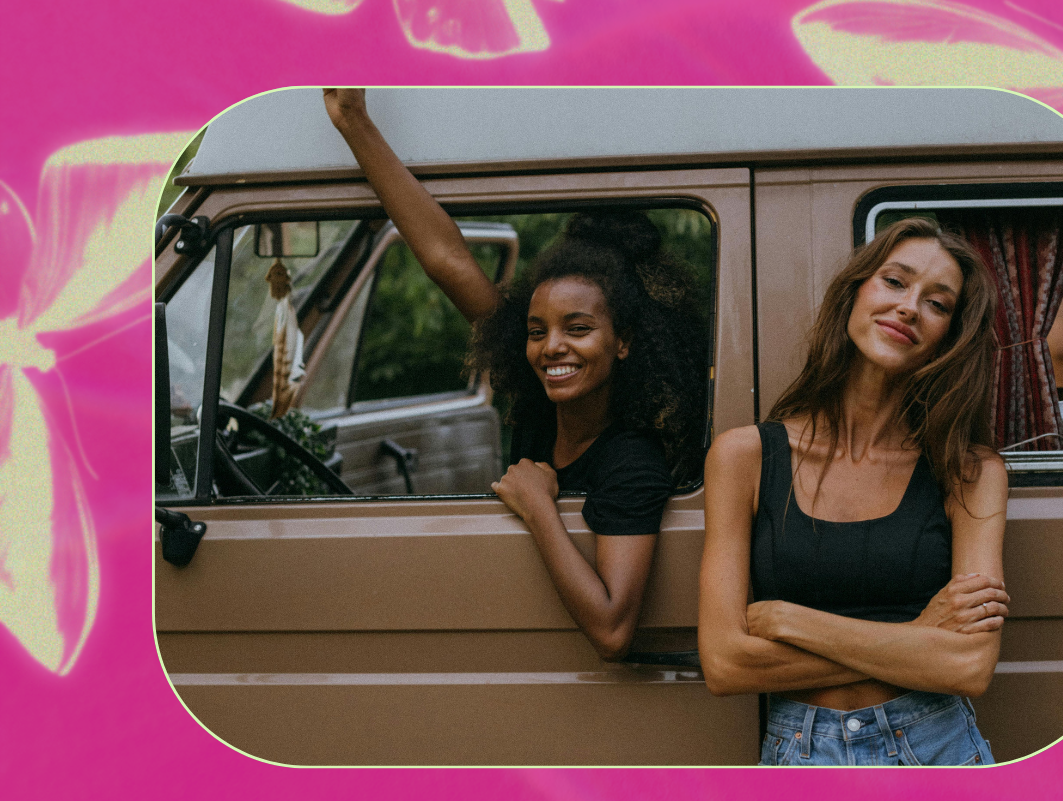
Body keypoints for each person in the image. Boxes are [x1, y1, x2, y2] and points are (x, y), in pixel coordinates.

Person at [324, 89, 706, 661]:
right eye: (535, 331)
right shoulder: (540, 400)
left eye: (578, 328)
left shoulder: (633, 461)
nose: (552, 347)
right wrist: (353, 121)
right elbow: (448, 259)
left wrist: (539, 508)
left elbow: (613, 630)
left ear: (624, 342)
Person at [698, 217, 1010, 765]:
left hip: (936, 748)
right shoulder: (744, 456)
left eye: (937, 303)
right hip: (801, 755)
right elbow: (725, 664)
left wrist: (791, 621)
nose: (909, 307)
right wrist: (916, 635)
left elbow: (968, 666)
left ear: (950, 335)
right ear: (854, 293)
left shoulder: (969, 471)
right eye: (895, 281)